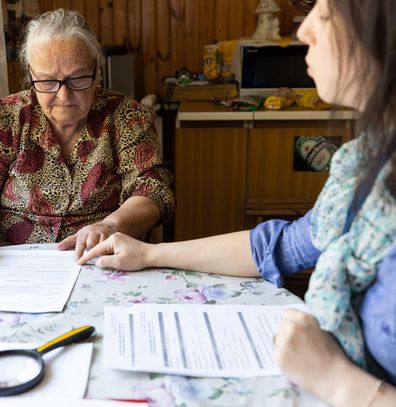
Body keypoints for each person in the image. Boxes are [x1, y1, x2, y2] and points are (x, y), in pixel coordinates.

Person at [79, 0, 396, 405]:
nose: (303, 31)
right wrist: (150, 252)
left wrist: (338, 381)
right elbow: (280, 246)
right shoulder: (368, 165)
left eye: (328, 10)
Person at [0, 9, 174, 263]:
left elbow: (151, 190)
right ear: (31, 75)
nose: (63, 95)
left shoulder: (127, 117)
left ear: (96, 72)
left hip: (100, 260)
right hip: (13, 269)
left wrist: (111, 225)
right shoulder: (4, 118)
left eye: (78, 79)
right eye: (48, 82)